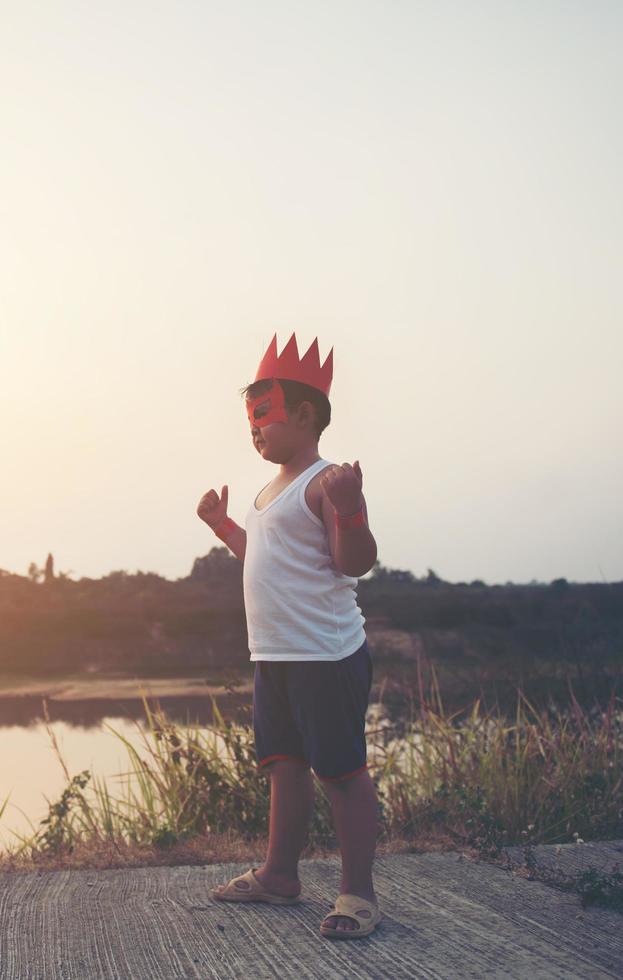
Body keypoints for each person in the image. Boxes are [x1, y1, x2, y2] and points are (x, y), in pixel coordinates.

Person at [196, 333, 383, 940]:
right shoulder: (268, 492)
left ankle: (358, 894)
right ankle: (280, 875)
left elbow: (353, 561)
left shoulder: (327, 482)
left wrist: (351, 510)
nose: (255, 430)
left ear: (305, 415)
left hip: (325, 654)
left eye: (264, 416)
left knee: (342, 772)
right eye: (249, 420)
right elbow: (262, 556)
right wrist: (223, 524)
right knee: (283, 766)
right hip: (273, 655)